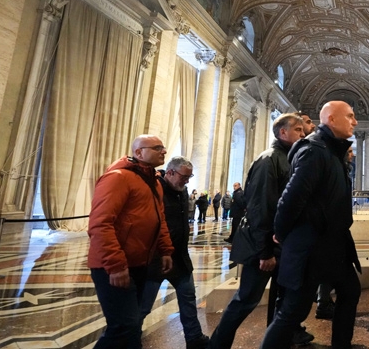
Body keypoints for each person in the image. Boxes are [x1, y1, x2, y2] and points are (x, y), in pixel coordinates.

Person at [261, 101, 361, 349]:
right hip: (311, 245)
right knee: (293, 311)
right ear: (331, 119)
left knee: (350, 291)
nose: (355, 121)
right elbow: (291, 198)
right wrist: (283, 234)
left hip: (332, 243)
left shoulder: (332, 150)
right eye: (349, 116)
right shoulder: (314, 150)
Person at [209, 114, 312, 349]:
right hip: (263, 247)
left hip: (280, 245)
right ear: (282, 133)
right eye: (298, 129)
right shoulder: (269, 160)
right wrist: (265, 252)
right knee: (246, 300)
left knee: (280, 300)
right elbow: (260, 209)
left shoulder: (288, 158)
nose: (303, 133)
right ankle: (217, 345)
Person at [87, 135, 174, 348]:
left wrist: (165, 250)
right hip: (113, 266)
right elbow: (100, 224)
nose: (163, 151)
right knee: (123, 326)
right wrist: (116, 265)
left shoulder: (154, 181)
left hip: (139, 263)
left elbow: (159, 218)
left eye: (163, 147)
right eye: (157, 148)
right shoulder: (118, 177)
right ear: (138, 153)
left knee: (132, 326)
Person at [140, 156, 209, 349]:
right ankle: (128, 338)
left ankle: (194, 338)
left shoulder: (182, 190)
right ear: (170, 172)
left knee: (188, 301)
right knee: (143, 306)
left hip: (180, 258)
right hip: (157, 259)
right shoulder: (155, 189)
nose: (187, 181)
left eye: (189, 177)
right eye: (184, 177)